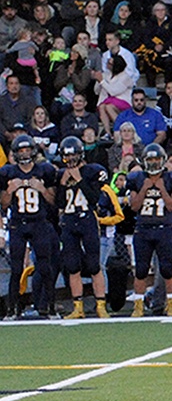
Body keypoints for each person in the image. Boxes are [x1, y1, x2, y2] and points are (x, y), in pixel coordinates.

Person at [55, 135, 122, 319]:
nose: (70, 160)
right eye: (67, 156)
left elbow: (94, 200)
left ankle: (101, 304)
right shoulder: (61, 174)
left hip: (88, 221)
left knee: (94, 265)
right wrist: (62, 184)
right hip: (69, 222)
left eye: (73, 155)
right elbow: (59, 203)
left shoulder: (93, 171)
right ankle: (78, 307)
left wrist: (79, 180)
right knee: (72, 266)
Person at [0, 135, 59, 319]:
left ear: (33, 151)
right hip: (18, 224)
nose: (25, 154)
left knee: (45, 267)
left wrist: (41, 189)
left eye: (27, 150)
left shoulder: (45, 170)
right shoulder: (7, 172)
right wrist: (10, 191)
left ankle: (50, 308)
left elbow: (53, 201)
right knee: (16, 269)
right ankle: (12, 310)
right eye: (21, 151)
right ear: (15, 154)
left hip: (39, 223)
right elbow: (3, 204)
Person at [123, 143, 172, 317]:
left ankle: (171, 305)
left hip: (164, 228)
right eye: (150, 159)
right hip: (143, 229)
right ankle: (138, 306)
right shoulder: (137, 178)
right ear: (144, 160)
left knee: (166, 269)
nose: (154, 162)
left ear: (162, 160)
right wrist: (145, 188)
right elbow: (134, 206)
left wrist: (162, 188)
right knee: (141, 270)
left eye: (156, 159)